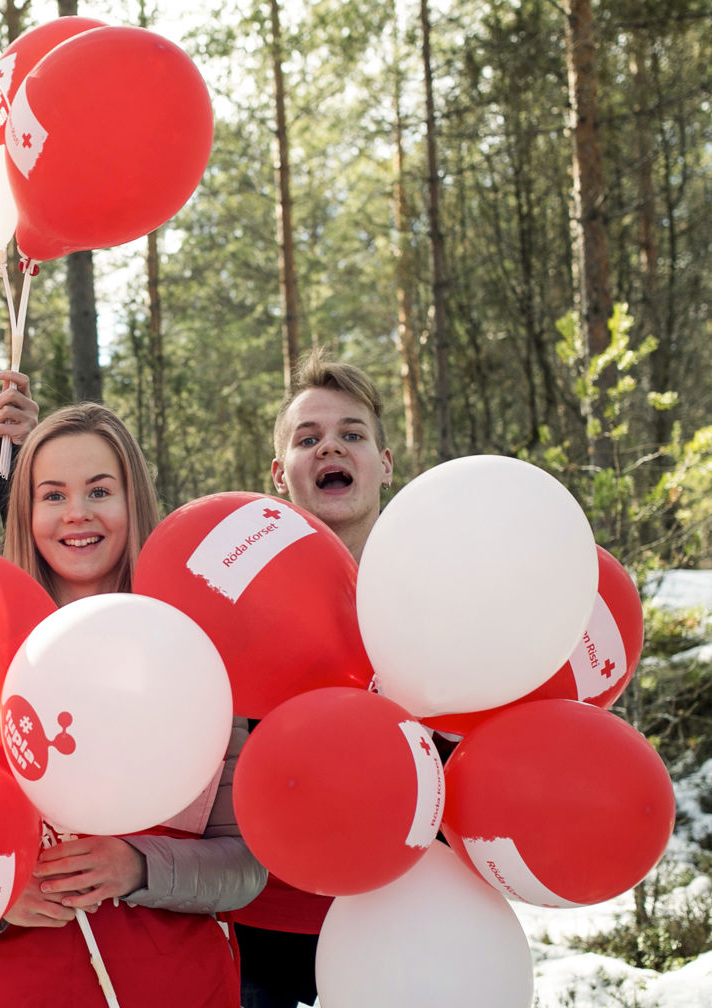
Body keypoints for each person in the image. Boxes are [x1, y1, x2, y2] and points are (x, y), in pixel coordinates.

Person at [0, 402, 266, 1008]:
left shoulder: (196, 656)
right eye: (52, 494)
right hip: (3, 985)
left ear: (132, 502)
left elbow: (245, 867)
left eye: (100, 490)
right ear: (26, 511)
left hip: (167, 983)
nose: (77, 513)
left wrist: (137, 865)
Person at [232, 347, 395, 1008]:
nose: (331, 447)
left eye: (351, 434)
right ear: (281, 473)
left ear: (384, 463)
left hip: (405, 923)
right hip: (259, 935)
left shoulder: (440, 591)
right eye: (309, 439)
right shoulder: (235, 600)